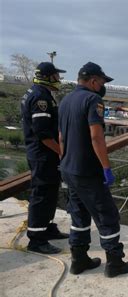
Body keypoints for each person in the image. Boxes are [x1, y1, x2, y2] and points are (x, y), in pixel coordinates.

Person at [58, 62, 128, 277]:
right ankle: (115, 263)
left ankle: (79, 259)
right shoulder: (93, 100)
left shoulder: (65, 100)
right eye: (101, 81)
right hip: (87, 171)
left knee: (79, 216)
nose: (102, 86)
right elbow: (96, 136)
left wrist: (64, 162)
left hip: (68, 169)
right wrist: (106, 168)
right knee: (107, 215)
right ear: (93, 81)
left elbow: (61, 138)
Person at [21, 62, 69, 254]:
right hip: (43, 155)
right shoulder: (40, 97)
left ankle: (47, 228)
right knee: (41, 195)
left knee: (50, 193)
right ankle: (36, 240)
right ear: (48, 77)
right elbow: (43, 134)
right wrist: (61, 152)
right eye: (56, 76)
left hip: (46, 156)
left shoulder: (41, 93)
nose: (59, 79)